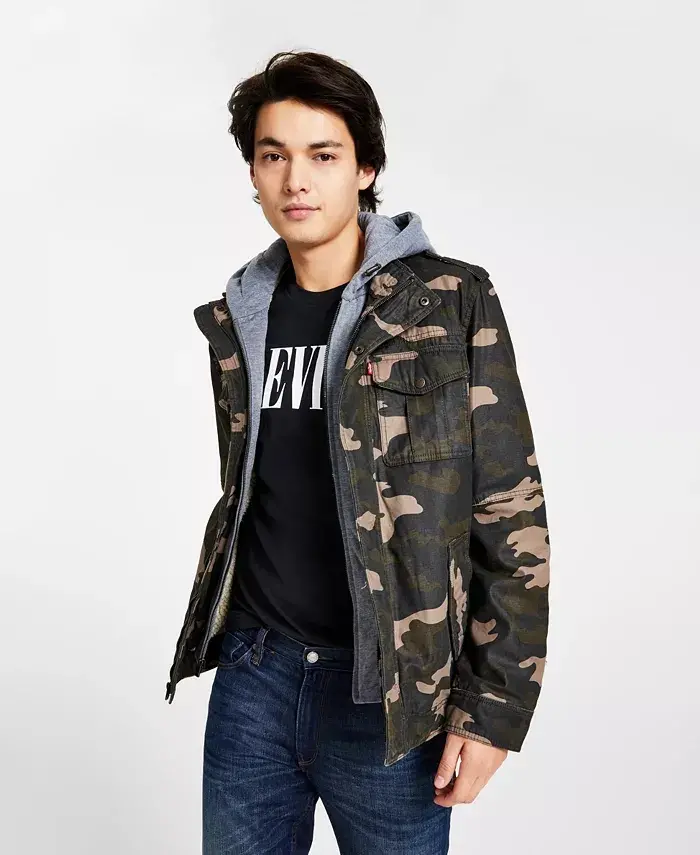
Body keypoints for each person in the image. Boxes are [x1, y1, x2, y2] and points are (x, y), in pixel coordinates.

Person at [165, 49, 551, 854]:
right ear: (254, 173)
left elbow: (511, 512)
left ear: (365, 167)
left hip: (389, 695)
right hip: (255, 676)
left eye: (323, 155)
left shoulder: (449, 301)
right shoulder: (240, 318)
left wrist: (493, 710)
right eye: (274, 156)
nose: (296, 180)